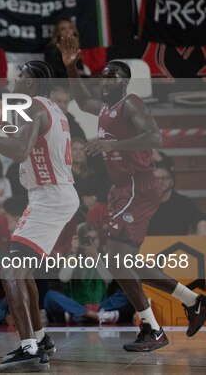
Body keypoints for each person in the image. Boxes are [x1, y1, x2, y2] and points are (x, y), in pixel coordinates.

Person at [59, 34, 206, 352]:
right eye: (102, 76)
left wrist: (111, 144)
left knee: (116, 259)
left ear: (125, 81)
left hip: (138, 185)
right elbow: (83, 101)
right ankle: (192, 301)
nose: (104, 81)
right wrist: (72, 68)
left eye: (111, 76)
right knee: (122, 261)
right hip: (123, 189)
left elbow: (155, 138)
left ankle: (155, 328)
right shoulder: (105, 108)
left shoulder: (131, 104)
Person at [0, 61, 79, 372]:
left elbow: (18, 150)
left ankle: (27, 346)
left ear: (31, 82)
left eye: (21, 75)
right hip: (52, 194)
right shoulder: (49, 108)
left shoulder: (34, 107)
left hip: (50, 196)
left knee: (11, 269)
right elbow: (29, 143)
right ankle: (40, 339)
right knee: (23, 270)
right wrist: (2, 121)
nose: (15, 79)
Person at [44, 225, 133, 324]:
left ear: (99, 241)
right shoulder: (73, 258)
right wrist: (73, 252)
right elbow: (63, 278)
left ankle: (78, 314)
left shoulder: (104, 258)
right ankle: (94, 315)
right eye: (86, 239)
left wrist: (96, 258)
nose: (90, 242)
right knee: (50, 296)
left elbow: (109, 279)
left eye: (94, 239)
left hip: (101, 304)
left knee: (128, 295)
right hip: (76, 303)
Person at [148, 166, 206, 236]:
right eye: (156, 179)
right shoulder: (143, 204)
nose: (160, 181)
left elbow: (200, 220)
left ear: (171, 181)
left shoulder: (184, 202)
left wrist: (200, 240)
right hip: (150, 245)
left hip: (178, 245)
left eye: (164, 178)